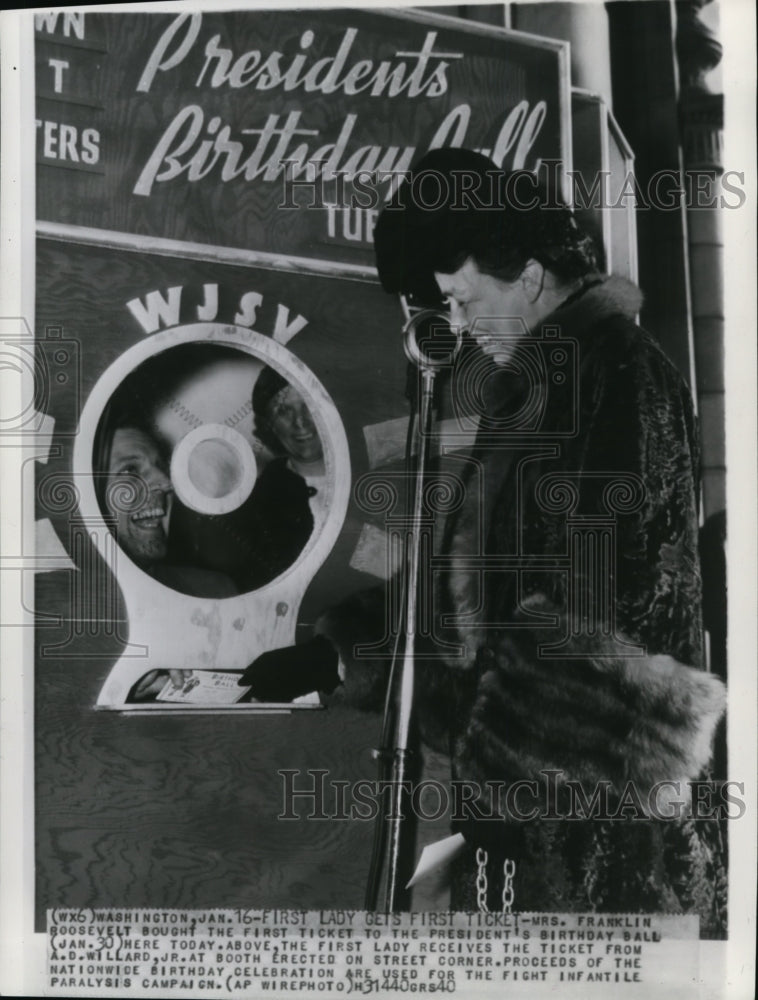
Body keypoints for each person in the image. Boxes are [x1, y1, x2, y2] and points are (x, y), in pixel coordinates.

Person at [239, 149, 727, 933]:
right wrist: (342, 650)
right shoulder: (535, 389)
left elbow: (607, 606)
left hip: (590, 817)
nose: (458, 325)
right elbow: (470, 586)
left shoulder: (620, 376)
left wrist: (509, 783)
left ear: (530, 278)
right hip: (521, 799)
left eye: (465, 300)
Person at [96, 415, 238, 700]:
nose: (165, 482)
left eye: (161, 467)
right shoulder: (64, 608)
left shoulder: (216, 593)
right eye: (130, 472)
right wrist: (121, 691)